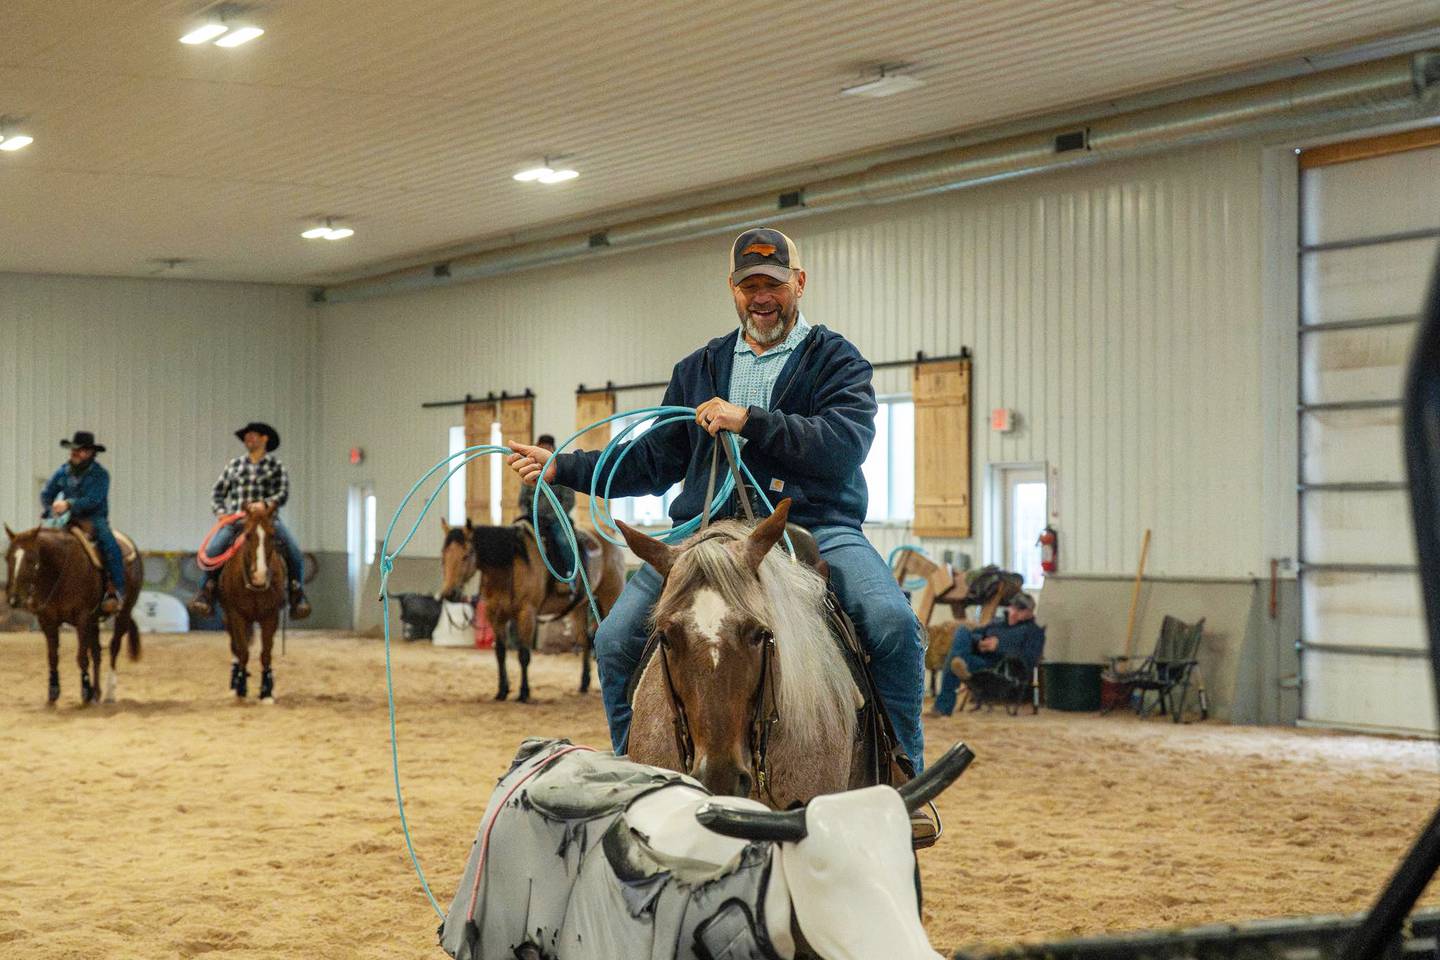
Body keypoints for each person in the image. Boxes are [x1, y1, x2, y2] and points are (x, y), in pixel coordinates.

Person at [506, 226, 927, 774]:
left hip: (815, 525)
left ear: (798, 283)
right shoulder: (698, 368)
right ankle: (630, 769)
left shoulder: (836, 361)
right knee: (614, 638)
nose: (762, 297)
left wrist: (749, 420)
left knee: (891, 621)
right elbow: (653, 459)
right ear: (733, 290)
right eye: (749, 285)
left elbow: (843, 445)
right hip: (703, 531)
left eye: (773, 284)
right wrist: (564, 467)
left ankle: (902, 771)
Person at [187, 422, 310, 619]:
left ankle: (297, 593)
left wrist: (266, 503)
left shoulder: (276, 466)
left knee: (294, 552)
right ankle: (206, 591)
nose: (248, 439)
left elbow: (283, 492)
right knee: (213, 550)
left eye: (253, 435)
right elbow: (218, 492)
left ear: (264, 439)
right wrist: (221, 512)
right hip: (238, 521)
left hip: (268, 521)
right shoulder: (234, 465)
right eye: (246, 436)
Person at [40, 431, 125, 614]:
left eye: (79, 450)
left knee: (110, 545)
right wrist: (50, 509)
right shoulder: (63, 471)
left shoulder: (101, 475)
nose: (74, 453)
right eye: (73, 450)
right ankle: (42, 590)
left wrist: (69, 504)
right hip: (68, 519)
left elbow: (94, 500)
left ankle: (116, 590)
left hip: (94, 519)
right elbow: (46, 493)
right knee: (43, 543)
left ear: (90, 453)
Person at [929, 591, 1045, 717]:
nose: (1014, 613)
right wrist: (980, 643)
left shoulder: (1033, 632)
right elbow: (976, 633)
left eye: (1020, 611)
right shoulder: (997, 623)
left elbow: (1029, 659)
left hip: (997, 667)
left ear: (1029, 613)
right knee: (962, 631)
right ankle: (960, 661)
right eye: (1013, 608)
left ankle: (942, 708)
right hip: (978, 658)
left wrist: (999, 647)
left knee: (953, 661)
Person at [515, 433, 576, 586]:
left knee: (563, 541)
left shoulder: (561, 472)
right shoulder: (530, 471)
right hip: (533, 519)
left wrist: (553, 516)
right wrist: (526, 514)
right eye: (541, 447)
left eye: (547, 448)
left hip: (555, 520)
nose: (544, 449)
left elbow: (569, 501)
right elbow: (522, 500)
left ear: (552, 449)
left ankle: (571, 574)